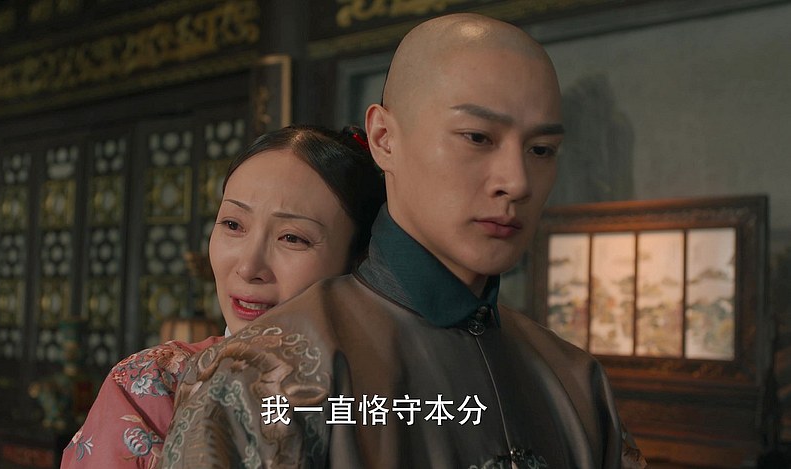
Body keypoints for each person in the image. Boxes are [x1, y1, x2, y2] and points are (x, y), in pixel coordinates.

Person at [161, 13, 646, 469]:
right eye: (477, 137)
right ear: (384, 138)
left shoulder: (576, 381)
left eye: (541, 150)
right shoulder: (265, 373)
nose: (517, 182)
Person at [60, 124, 386, 468]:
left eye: (292, 238)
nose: (248, 267)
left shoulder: (389, 399)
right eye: (233, 224)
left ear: (358, 260)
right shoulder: (154, 385)